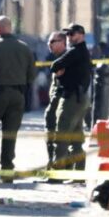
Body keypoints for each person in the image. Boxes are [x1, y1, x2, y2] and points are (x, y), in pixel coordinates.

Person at [0, 16, 36, 182]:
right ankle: (7, 170)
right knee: (10, 134)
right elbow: (31, 76)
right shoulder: (24, 48)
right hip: (17, 95)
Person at [51, 23, 92, 171]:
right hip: (79, 97)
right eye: (67, 34)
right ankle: (79, 173)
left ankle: (58, 172)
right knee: (76, 138)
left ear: (81, 35)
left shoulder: (75, 51)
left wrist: (60, 70)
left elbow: (54, 65)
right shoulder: (80, 51)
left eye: (72, 34)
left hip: (72, 98)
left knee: (61, 135)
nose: (68, 37)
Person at [44, 31, 67, 169]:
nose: (49, 44)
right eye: (49, 41)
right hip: (55, 101)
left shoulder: (65, 58)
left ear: (62, 42)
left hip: (59, 102)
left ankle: (54, 166)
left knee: (53, 133)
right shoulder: (57, 58)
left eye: (53, 41)